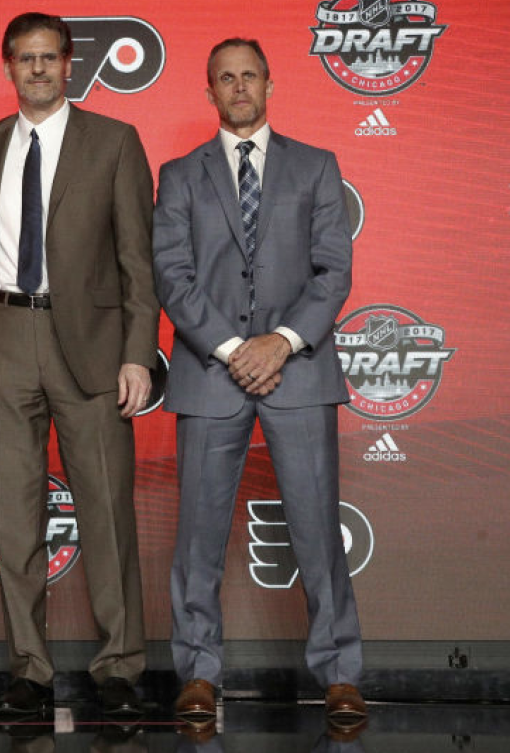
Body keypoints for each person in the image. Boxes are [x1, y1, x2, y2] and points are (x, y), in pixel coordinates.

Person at [153, 38, 364, 727]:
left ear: (269, 84)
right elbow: (171, 276)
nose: (237, 87)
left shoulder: (317, 166)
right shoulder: (180, 175)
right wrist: (233, 347)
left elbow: (332, 270)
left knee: (315, 533)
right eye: (224, 78)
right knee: (198, 538)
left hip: (298, 372)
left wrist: (280, 342)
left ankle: (339, 675)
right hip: (211, 374)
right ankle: (197, 674)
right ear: (207, 91)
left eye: (248, 76)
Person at [0, 12, 159, 721]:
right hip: (3, 334)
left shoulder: (113, 142)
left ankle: (116, 666)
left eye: (50, 57)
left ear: (69, 64)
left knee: (105, 509)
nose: (38, 69)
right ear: (8, 67)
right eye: (25, 58)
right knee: (13, 518)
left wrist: (139, 354)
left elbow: (138, 262)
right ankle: (29, 669)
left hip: (95, 344)